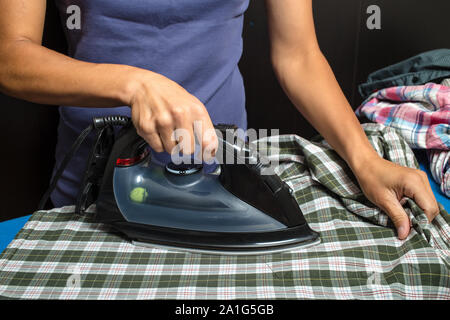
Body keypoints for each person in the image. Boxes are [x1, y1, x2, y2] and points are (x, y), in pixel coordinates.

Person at [0, 0, 439, 240]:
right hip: (94, 185)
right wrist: (133, 84)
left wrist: (364, 160)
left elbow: (298, 54)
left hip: (218, 170)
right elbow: (9, 55)